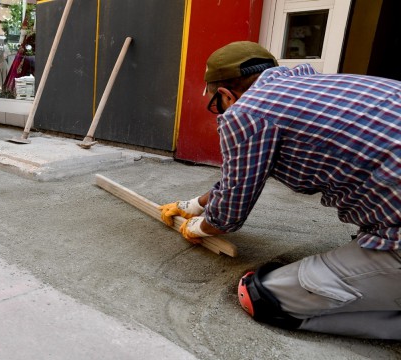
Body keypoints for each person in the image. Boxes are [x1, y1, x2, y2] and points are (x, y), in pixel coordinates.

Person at [158, 41, 400, 340]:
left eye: (215, 103)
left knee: (260, 296)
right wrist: (195, 203)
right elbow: (242, 175)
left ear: (225, 95)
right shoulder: (310, 86)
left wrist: (201, 227)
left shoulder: (246, 112)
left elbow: (228, 215)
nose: (218, 111)